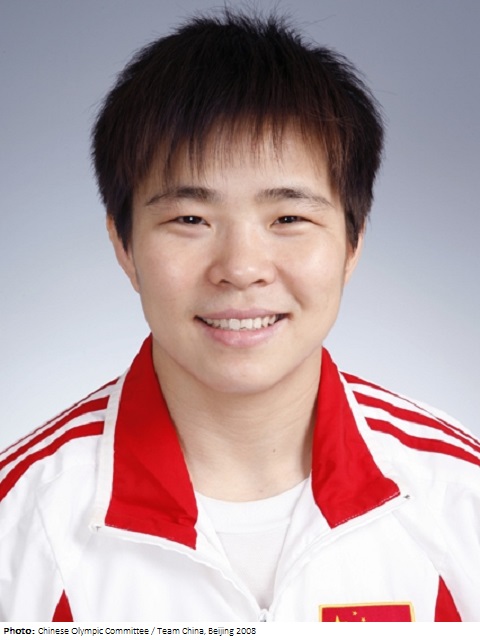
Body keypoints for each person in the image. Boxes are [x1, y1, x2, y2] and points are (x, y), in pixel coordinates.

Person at [1, 10, 479, 623]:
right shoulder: (19, 523)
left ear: (352, 244)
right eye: (190, 220)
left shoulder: (460, 498)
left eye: (289, 218)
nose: (242, 268)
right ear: (124, 245)